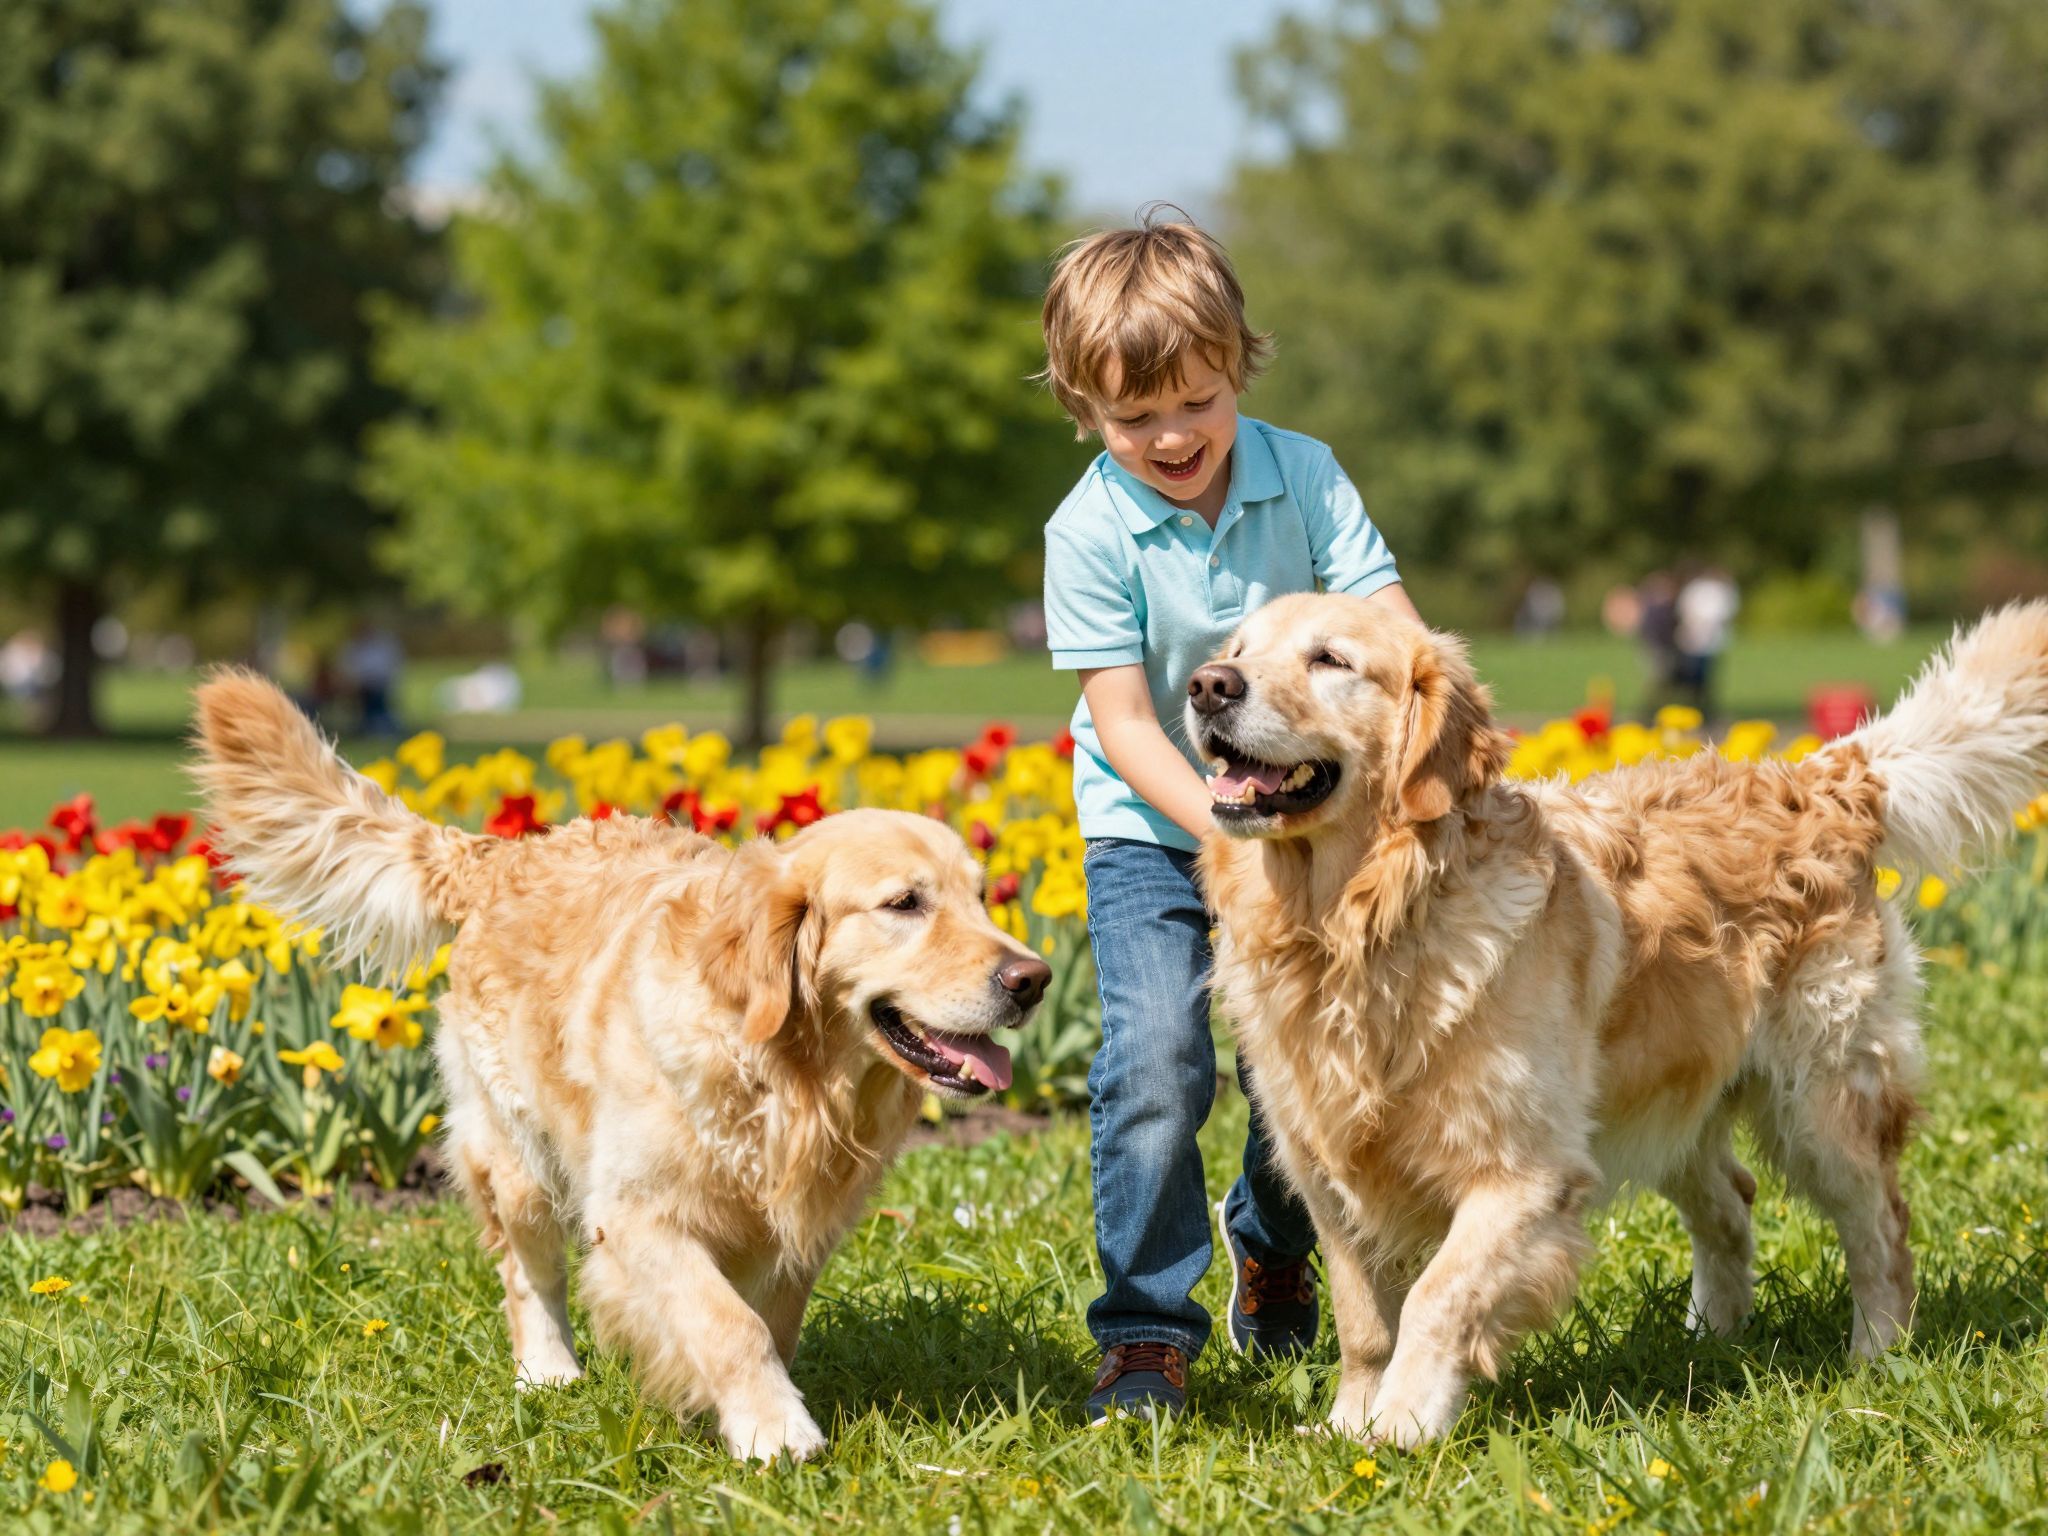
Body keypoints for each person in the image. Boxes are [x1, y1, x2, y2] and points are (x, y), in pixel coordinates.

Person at [1038, 210, 1424, 1423]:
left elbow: (1394, 633)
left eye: (1195, 401)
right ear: (1083, 409)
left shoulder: (1302, 474)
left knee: (1302, 1065)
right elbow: (1123, 723)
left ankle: (1272, 1239)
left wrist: (1430, 742)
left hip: (1305, 821)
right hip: (1155, 831)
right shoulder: (1085, 531)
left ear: (1238, 369)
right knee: (1158, 1059)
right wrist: (1222, 822)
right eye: (1131, 416)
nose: (1169, 435)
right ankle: (1145, 1332)